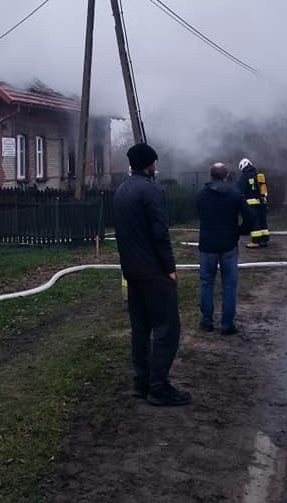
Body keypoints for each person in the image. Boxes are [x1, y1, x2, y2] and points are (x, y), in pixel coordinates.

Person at [113, 142, 191, 407]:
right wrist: (169, 268)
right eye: (154, 162)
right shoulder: (151, 191)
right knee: (167, 329)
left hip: (131, 272)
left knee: (140, 328)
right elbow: (160, 233)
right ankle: (158, 387)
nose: (156, 166)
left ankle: (141, 382)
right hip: (154, 272)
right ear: (149, 164)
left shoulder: (121, 190)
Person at [196, 162, 255, 335]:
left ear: (210, 175)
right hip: (229, 245)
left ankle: (206, 322)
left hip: (207, 246)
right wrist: (240, 231)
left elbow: (200, 213)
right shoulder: (235, 194)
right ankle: (227, 325)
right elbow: (250, 216)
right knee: (229, 285)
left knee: (206, 283)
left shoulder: (201, 195)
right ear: (226, 175)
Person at [237, 158, 270, 248]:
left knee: (255, 222)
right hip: (261, 202)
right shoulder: (258, 174)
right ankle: (264, 240)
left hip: (251, 203)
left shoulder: (244, 177)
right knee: (262, 220)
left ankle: (256, 241)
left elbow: (241, 190)